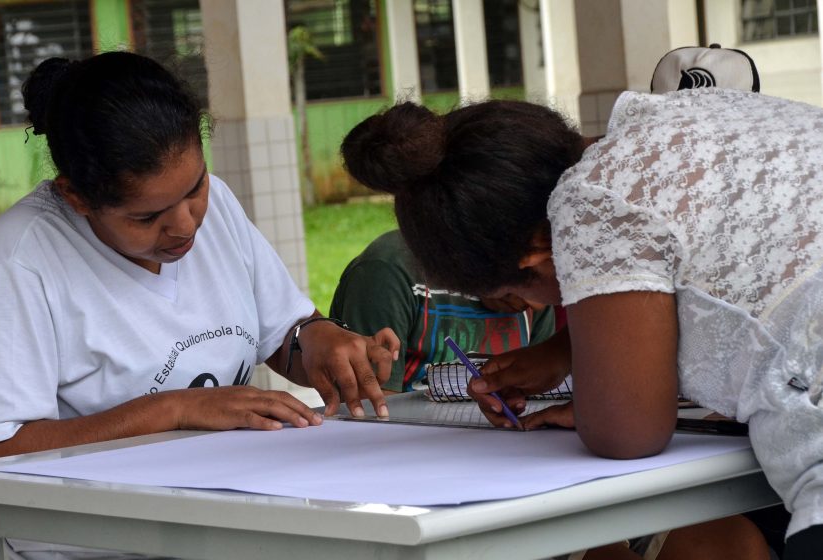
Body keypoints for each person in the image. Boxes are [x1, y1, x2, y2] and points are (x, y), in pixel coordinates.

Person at [339, 88, 816, 554]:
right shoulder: (670, 118)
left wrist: (602, 401)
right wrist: (567, 353)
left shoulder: (586, 208)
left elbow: (628, 435)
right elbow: (718, 276)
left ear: (537, 252)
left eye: (512, 293)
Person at [0, 53, 400, 460]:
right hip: (96, 532)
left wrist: (320, 341)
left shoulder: (218, 208)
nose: (186, 224)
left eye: (195, 187)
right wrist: (172, 410)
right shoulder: (18, 262)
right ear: (77, 197)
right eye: (147, 216)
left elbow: (283, 332)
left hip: (235, 498)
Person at [329, 229, 556, 394]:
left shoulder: (542, 285)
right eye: (524, 277)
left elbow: (541, 394)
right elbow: (371, 412)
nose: (536, 305)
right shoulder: (389, 271)